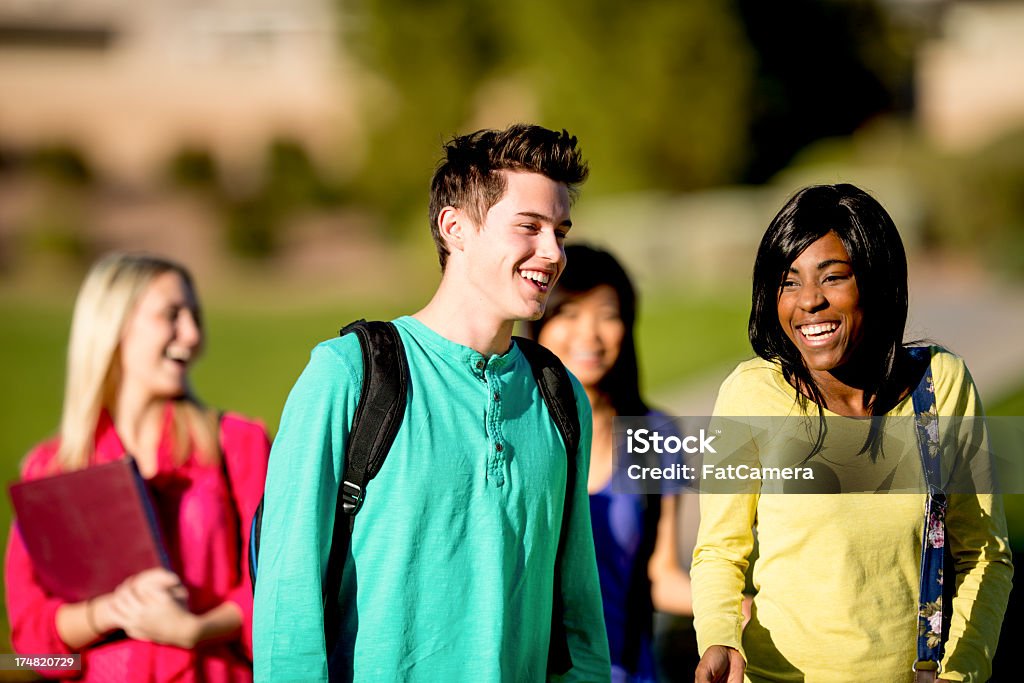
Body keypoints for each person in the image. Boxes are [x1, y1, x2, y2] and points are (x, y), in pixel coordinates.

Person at [253, 124, 610, 682]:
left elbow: (578, 609)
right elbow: (286, 591)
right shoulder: (348, 374)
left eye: (560, 231)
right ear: (455, 228)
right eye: (530, 227)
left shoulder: (560, 396)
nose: (554, 252)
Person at [691, 184, 1013, 682]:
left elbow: (984, 554)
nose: (809, 302)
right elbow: (719, 550)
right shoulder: (751, 396)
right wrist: (719, 637)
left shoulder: (940, 385)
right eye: (788, 282)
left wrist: (959, 672)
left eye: (833, 277)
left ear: (876, 282)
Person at [5, 253, 271, 681]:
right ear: (114, 326)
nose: (192, 334)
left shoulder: (237, 444)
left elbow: (280, 588)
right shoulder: (51, 468)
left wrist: (195, 630)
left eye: (196, 316)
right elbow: (30, 643)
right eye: (172, 315)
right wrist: (108, 611)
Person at [527, 244, 698, 682]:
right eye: (569, 313)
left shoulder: (654, 434)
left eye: (607, 314)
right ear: (539, 322)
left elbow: (660, 576)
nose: (590, 334)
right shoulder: (509, 431)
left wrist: (741, 605)